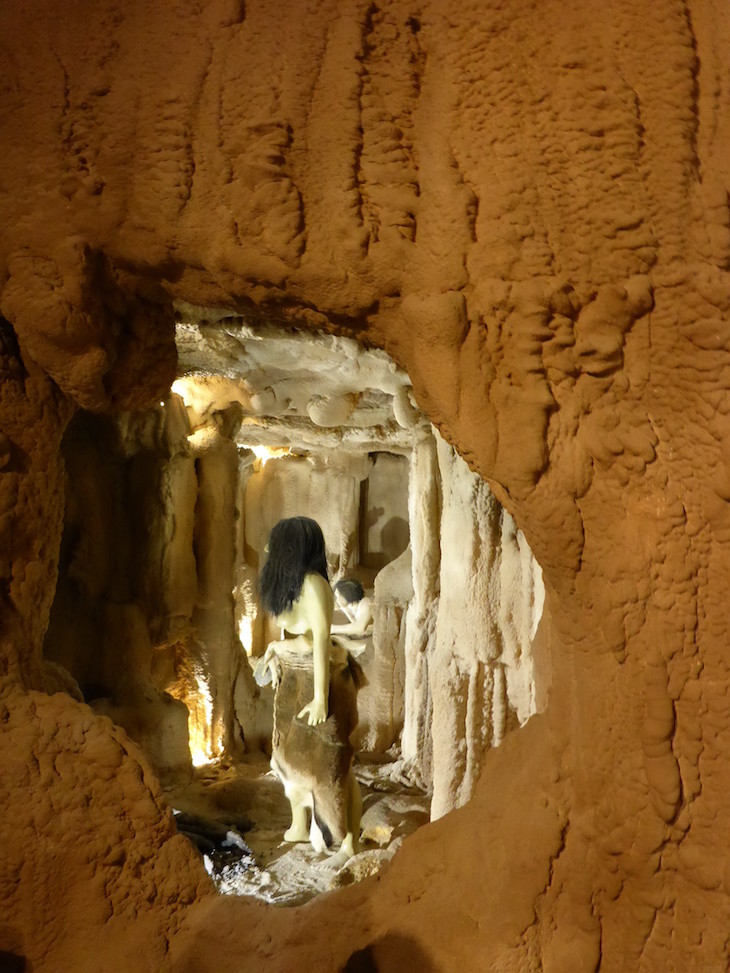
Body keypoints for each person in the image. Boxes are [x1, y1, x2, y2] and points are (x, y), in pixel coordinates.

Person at [259, 516, 364, 858]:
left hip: (327, 674)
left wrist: (321, 698)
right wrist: (276, 654)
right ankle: (300, 824)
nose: (266, 550)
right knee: (288, 755)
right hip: (295, 675)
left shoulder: (315, 585)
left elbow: (320, 640)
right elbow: (295, 637)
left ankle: (347, 835)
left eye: (274, 544)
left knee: (331, 760)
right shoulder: (285, 587)